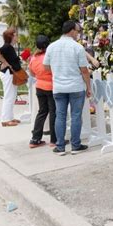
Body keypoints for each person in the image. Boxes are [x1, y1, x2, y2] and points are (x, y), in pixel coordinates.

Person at [43, 21, 91, 156]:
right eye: (77, 30)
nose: (78, 33)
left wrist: (58, 69)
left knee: (60, 116)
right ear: (71, 31)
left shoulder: (52, 47)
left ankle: (60, 146)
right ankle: (75, 145)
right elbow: (84, 70)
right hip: (76, 86)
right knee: (76, 116)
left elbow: (46, 66)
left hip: (58, 86)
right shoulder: (77, 47)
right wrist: (88, 87)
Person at [28, 35, 57, 148]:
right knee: (53, 113)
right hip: (51, 86)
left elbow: (32, 73)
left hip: (39, 86)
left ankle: (35, 139)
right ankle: (54, 140)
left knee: (42, 112)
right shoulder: (50, 56)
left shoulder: (33, 58)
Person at [0, 28, 21, 127]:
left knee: (12, 96)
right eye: (16, 35)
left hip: (10, 74)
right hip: (7, 74)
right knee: (9, 96)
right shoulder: (7, 47)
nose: (17, 36)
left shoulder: (10, 47)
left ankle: (10, 117)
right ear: (11, 36)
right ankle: (5, 120)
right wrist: (5, 62)